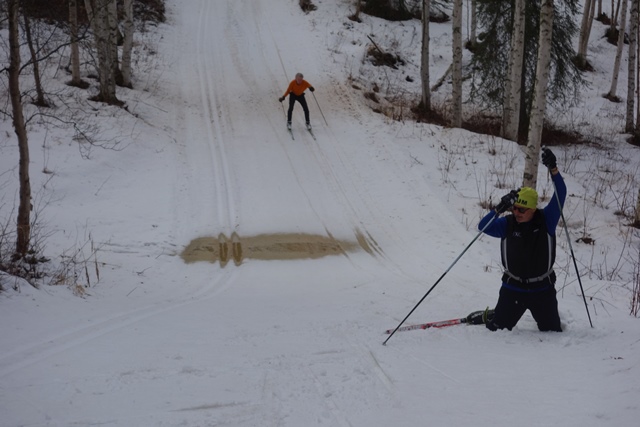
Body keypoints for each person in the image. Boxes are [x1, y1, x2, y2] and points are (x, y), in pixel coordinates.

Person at [477, 147, 566, 332]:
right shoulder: (507, 224)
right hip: (513, 288)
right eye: (514, 208)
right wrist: (500, 208)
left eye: (522, 209)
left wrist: (553, 169)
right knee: (496, 330)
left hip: (542, 290)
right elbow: (483, 226)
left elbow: (561, 193)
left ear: (533, 209)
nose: (517, 212)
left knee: (552, 333)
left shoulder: (547, 220)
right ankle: (497, 315)